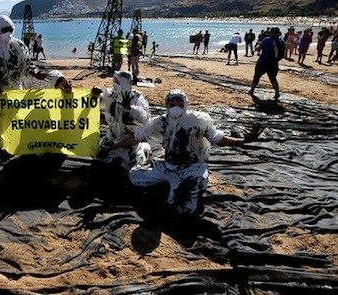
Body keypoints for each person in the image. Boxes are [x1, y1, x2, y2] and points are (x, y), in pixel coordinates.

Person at [103, 89, 264, 215]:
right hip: (169, 165)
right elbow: (136, 137)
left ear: (185, 104)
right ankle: (170, 183)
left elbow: (218, 139)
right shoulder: (160, 122)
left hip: (192, 168)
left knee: (182, 210)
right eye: (172, 104)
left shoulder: (198, 121)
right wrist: (111, 148)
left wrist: (244, 141)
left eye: (179, 104)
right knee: (135, 176)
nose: (176, 108)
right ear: (167, 104)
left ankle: (191, 185)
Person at [97, 70, 153, 170]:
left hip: (130, 140)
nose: (114, 84)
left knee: (133, 165)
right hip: (113, 136)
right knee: (100, 158)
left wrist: (130, 108)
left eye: (117, 82)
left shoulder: (137, 99)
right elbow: (98, 102)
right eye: (113, 81)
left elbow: (145, 119)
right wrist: (94, 94)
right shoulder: (110, 95)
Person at [0, 15, 48, 91]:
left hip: (16, 90)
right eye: (4, 30)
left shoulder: (20, 46)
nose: (8, 33)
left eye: (10, 29)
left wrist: (36, 73)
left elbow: (26, 66)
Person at [248, 27, 284, 101]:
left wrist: (257, 46)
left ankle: (252, 90)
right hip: (274, 63)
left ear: (271, 32)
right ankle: (277, 93)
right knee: (273, 78)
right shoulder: (280, 41)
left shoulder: (267, 40)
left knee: (256, 77)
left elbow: (258, 49)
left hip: (263, 62)